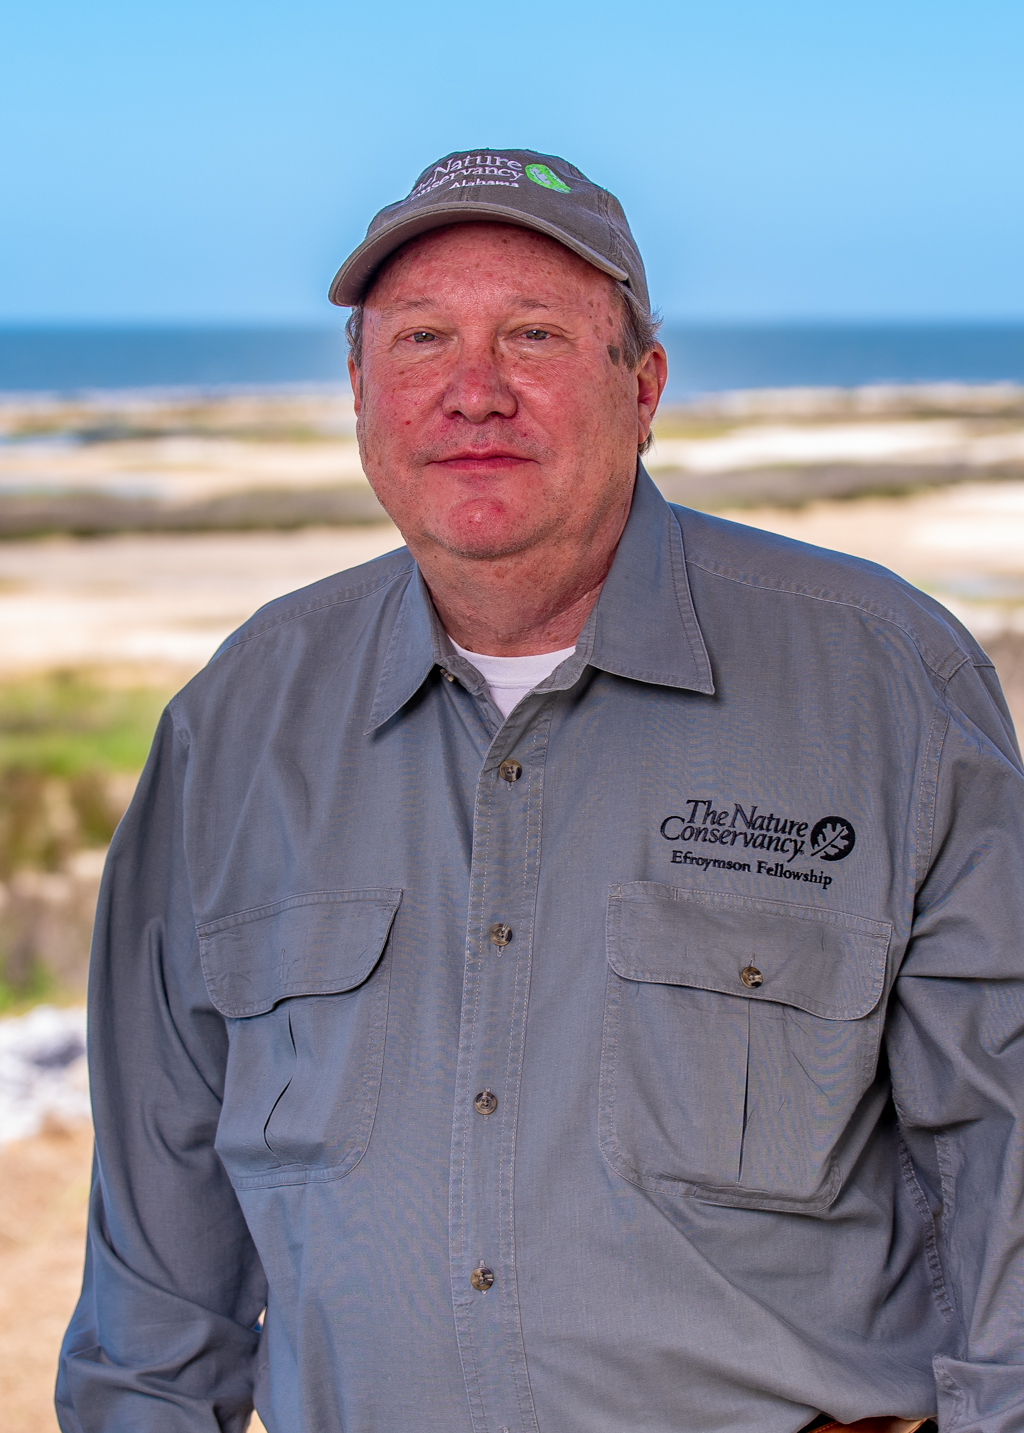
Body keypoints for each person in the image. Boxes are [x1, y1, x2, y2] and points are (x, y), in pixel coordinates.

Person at [58, 149, 1024, 1433]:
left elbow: (1003, 1159)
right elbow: (153, 1276)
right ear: (357, 393)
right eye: (418, 339)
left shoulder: (884, 678)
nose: (473, 391)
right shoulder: (235, 723)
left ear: (644, 386)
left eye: (534, 334)